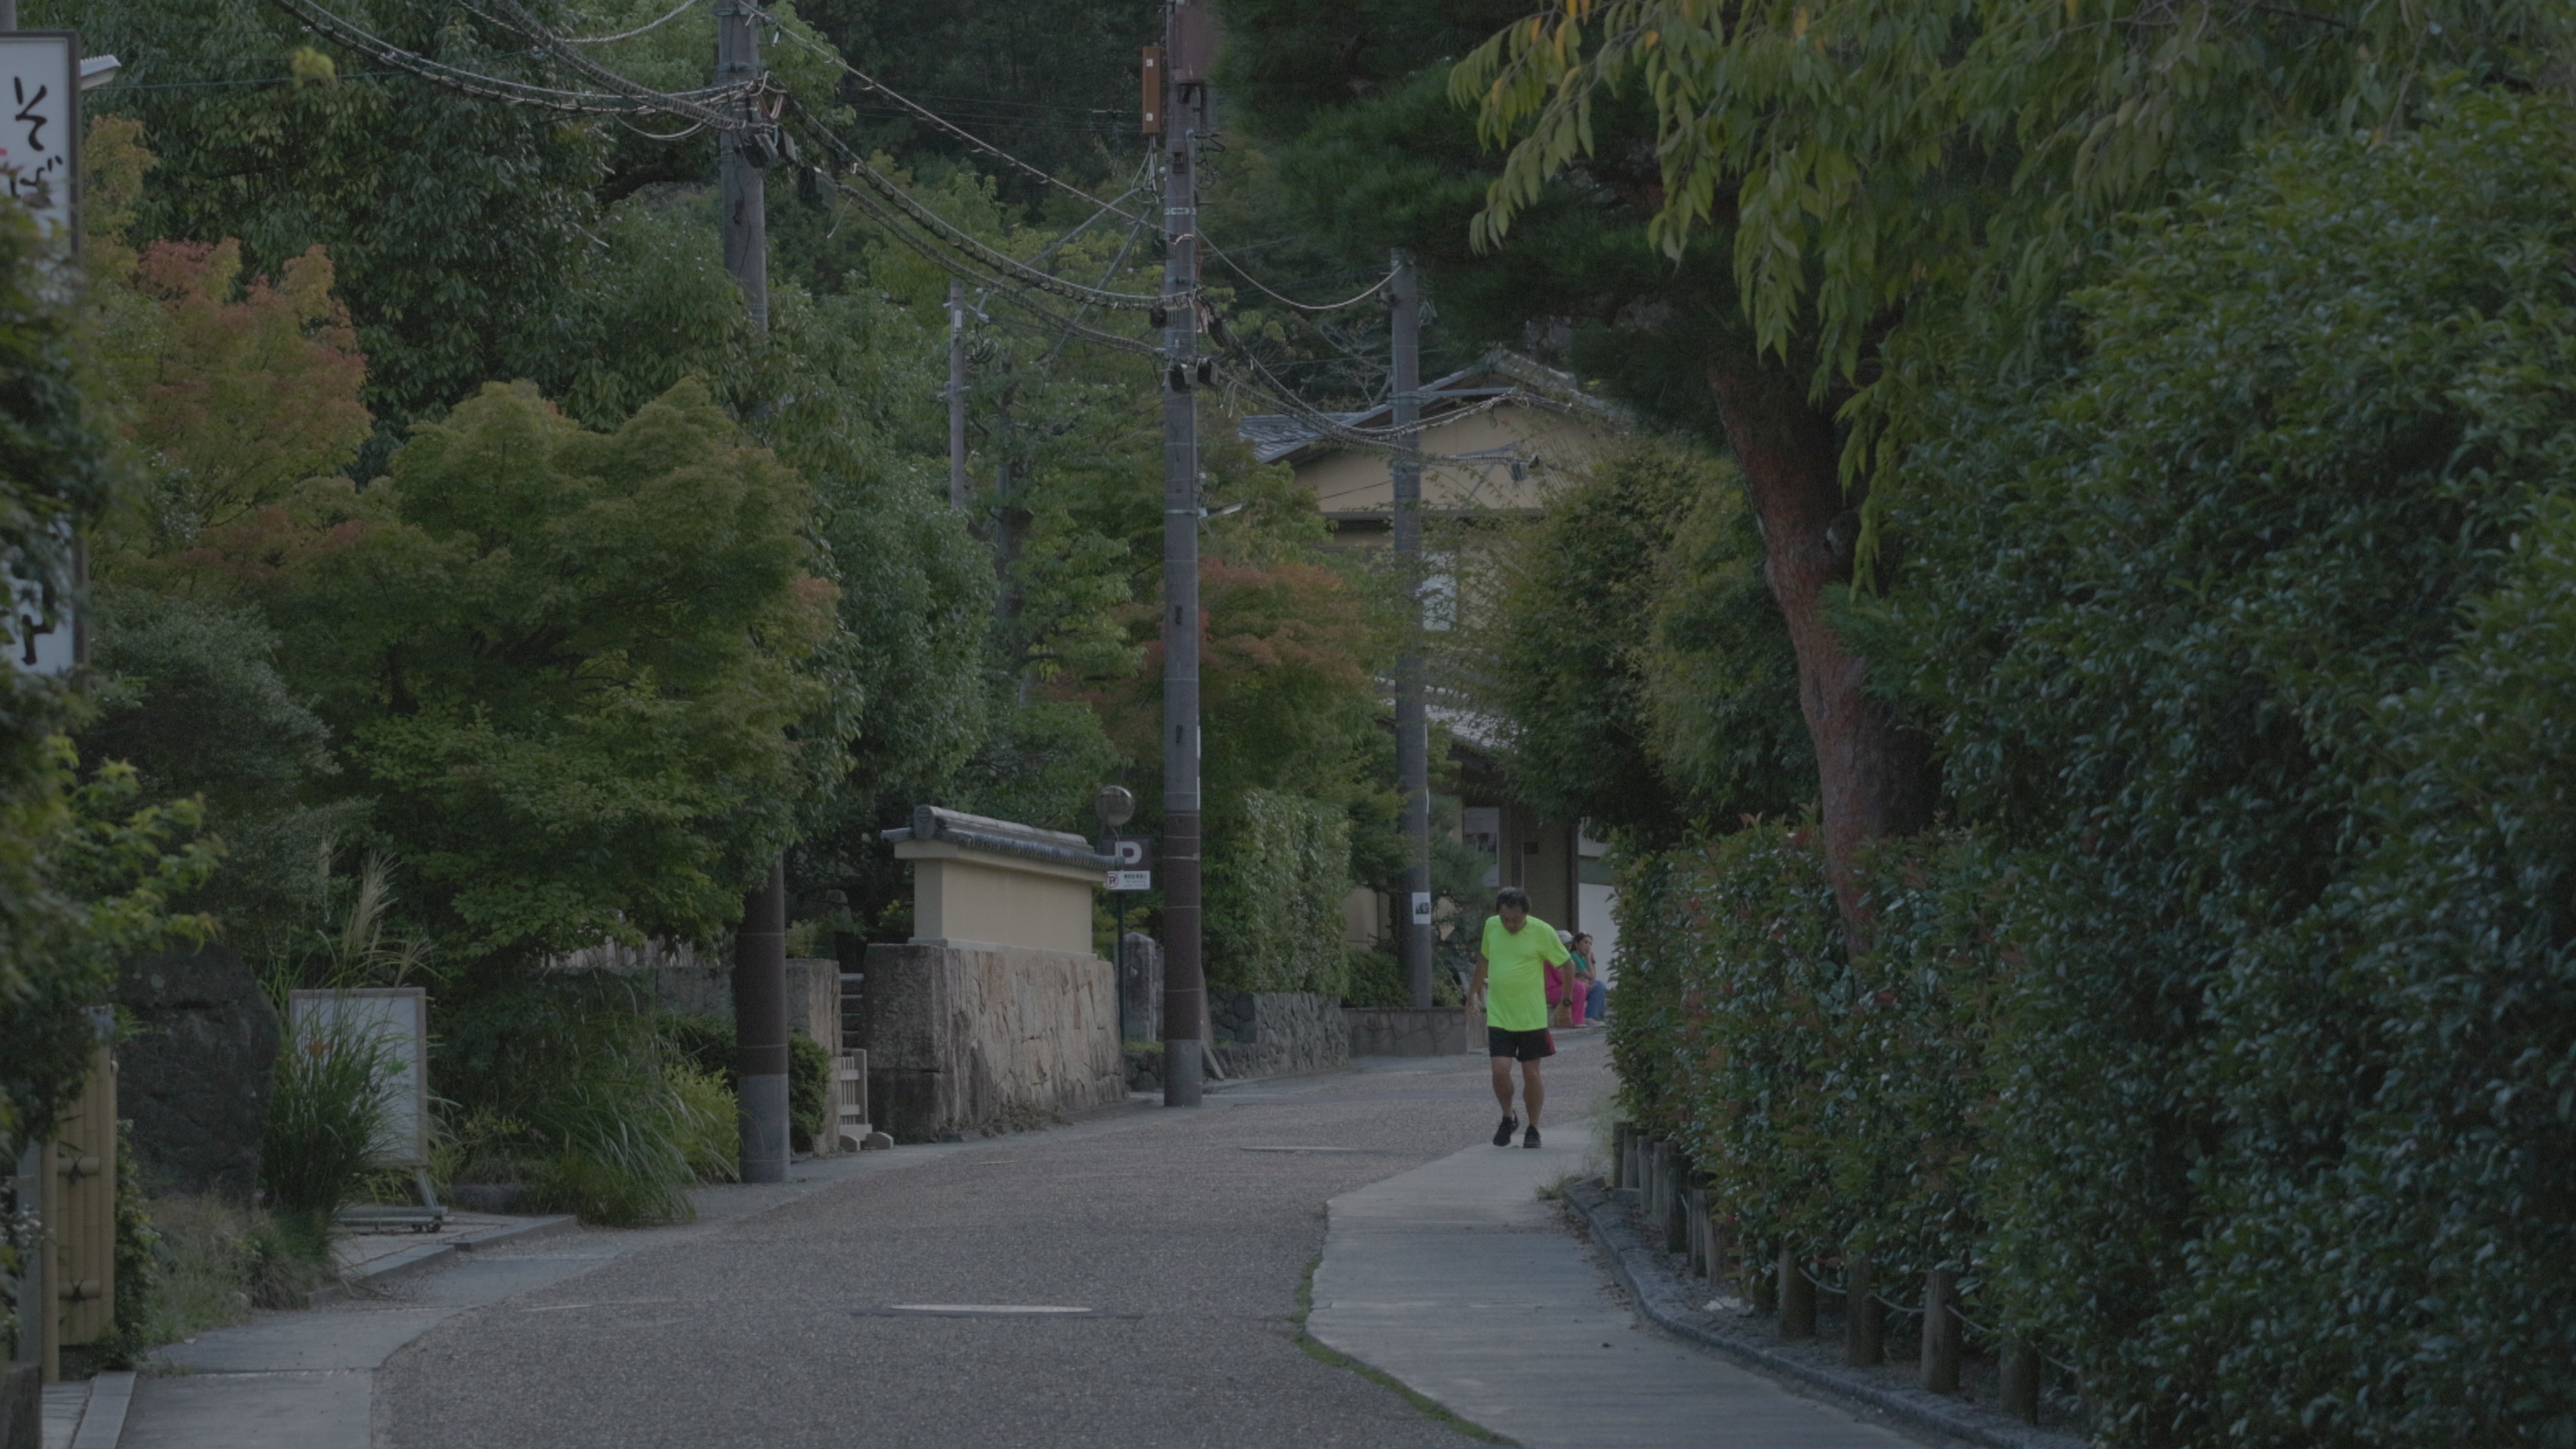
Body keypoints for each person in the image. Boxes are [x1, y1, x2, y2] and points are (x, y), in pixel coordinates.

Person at [1471, 885, 1572, 1149]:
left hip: (1531, 1017)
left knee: (1531, 1074)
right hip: (1500, 1014)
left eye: (1516, 919)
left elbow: (1568, 965)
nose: (1510, 924)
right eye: (1505, 918)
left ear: (1526, 914)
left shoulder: (1542, 931)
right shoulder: (1492, 926)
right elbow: (1484, 960)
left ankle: (1534, 1128)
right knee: (1499, 1070)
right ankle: (1508, 1116)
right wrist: (1472, 994)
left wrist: (1565, 1004)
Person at [1574, 932, 1607, 1024]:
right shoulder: (1575, 957)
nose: (1588, 946)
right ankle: (1590, 1017)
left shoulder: (1582, 958)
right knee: (1599, 985)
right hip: (1575, 989)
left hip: (1581, 987)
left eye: (1590, 944)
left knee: (1599, 985)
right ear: (1577, 944)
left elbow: (1593, 978)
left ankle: (1597, 1018)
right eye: (1585, 942)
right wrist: (1589, 958)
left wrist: (1592, 960)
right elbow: (1591, 978)